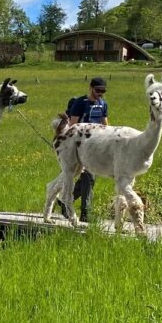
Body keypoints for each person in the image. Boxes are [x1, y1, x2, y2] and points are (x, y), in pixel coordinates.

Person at [64, 76, 109, 221]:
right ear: (91, 88)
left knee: (88, 178)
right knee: (87, 177)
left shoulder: (103, 104)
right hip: (81, 146)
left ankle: (64, 202)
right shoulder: (80, 103)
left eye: (103, 91)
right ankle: (85, 213)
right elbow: (72, 125)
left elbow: (105, 125)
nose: (100, 93)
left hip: (97, 145)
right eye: (97, 90)